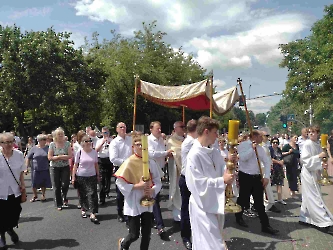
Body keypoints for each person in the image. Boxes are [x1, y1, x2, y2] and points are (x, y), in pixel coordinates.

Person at [185, 116, 234, 249]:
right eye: (215, 132)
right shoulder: (194, 155)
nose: (217, 136)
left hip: (214, 201)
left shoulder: (213, 151)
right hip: (202, 205)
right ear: (206, 131)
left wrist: (229, 167)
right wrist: (222, 181)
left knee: (214, 241)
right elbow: (197, 184)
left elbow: (221, 168)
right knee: (211, 245)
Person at [116, 133, 162, 250]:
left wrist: (152, 190)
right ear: (133, 147)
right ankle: (123, 244)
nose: (141, 147)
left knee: (147, 234)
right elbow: (120, 183)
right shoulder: (129, 162)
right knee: (134, 234)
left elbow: (158, 180)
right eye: (138, 144)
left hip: (147, 200)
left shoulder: (151, 162)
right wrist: (137, 186)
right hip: (133, 200)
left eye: (143, 144)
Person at [235, 130, 279, 235]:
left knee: (259, 202)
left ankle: (265, 225)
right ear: (254, 136)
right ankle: (238, 217)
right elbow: (243, 158)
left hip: (257, 177)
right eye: (260, 136)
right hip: (245, 176)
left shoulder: (261, 148)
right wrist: (252, 149)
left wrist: (267, 177)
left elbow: (267, 162)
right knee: (243, 198)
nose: (262, 138)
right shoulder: (243, 145)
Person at [299, 126, 333, 234]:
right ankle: (323, 222)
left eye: (313, 132)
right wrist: (319, 157)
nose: (311, 134)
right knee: (314, 197)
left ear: (318, 133)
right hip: (308, 173)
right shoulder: (307, 144)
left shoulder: (318, 144)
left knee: (308, 196)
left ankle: (305, 218)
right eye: (309, 132)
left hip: (314, 172)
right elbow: (305, 160)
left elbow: (321, 158)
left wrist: (322, 162)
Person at [0, 132, 26, 249]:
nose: (10, 144)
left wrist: (23, 185)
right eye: (7, 142)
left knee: (15, 213)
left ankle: (10, 229)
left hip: (15, 190)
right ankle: (2, 237)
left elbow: (21, 171)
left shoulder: (19, 154)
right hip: (1, 191)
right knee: (1, 216)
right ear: (1, 143)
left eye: (11, 141)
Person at [148, 121, 173, 237]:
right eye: (157, 128)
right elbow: (152, 154)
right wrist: (165, 153)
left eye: (160, 128)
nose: (159, 130)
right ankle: (160, 226)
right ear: (151, 129)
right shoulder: (148, 140)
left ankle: (152, 218)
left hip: (160, 171)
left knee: (155, 197)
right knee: (155, 198)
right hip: (151, 171)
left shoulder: (161, 140)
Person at [72, 134, 100, 224]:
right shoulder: (79, 152)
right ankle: (83, 209)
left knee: (92, 194)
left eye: (90, 141)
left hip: (92, 175)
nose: (88, 143)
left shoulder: (94, 152)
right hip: (81, 176)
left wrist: (98, 175)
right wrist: (73, 177)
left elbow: (96, 164)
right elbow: (75, 165)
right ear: (82, 143)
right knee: (83, 194)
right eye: (86, 141)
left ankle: (93, 213)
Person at [109, 122, 132, 223]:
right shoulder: (114, 142)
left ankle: (129, 212)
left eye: (125, 127)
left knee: (130, 191)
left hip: (131, 169)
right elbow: (113, 159)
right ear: (117, 129)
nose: (123, 129)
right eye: (121, 127)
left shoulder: (130, 140)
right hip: (120, 169)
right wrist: (126, 161)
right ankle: (119, 212)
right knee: (120, 193)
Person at [180, 119, 197, 250]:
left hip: (193, 178)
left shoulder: (192, 141)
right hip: (187, 179)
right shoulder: (191, 142)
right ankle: (186, 236)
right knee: (186, 208)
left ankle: (195, 234)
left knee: (194, 208)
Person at [48, 127, 72, 211]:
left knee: (65, 184)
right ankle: (58, 203)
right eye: (59, 134)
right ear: (55, 136)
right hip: (54, 167)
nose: (61, 135)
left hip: (65, 166)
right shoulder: (52, 144)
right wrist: (61, 156)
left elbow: (70, 155)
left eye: (62, 134)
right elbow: (50, 157)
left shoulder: (67, 143)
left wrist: (59, 157)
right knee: (56, 186)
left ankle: (64, 196)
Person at [166, 121, 185, 223]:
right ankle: (177, 216)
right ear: (175, 128)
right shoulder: (171, 140)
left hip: (185, 170)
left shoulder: (186, 139)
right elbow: (174, 152)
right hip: (176, 170)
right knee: (177, 191)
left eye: (184, 126)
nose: (183, 128)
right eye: (181, 127)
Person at [26, 134, 52, 202]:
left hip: (45, 168)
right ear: (39, 140)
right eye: (43, 139)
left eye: (45, 139)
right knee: (34, 183)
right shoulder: (34, 148)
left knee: (43, 183)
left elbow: (51, 156)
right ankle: (35, 195)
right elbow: (28, 158)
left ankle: (43, 195)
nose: (45, 141)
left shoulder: (48, 148)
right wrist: (26, 168)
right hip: (35, 169)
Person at [260, 132, 281, 213]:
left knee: (267, 188)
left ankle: (270, 203)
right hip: (263, 170)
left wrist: (270, 165)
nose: (267, 137)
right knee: (265, 188)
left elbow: (268, 158)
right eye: (266, 136)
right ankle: (267, 203)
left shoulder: (266, 146)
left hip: (267, 169)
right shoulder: (261, 146)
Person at [95, 126, 113, 205]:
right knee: (101, 180)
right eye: (104, 132)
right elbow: (96, 150)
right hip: (101, 160)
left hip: (109, 160)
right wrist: (103, 142)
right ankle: (102, 198)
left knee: (108, 179)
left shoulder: (112, 140)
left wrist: (110, 143)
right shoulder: (99, 141)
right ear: (102, 133)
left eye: (107, 132)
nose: (106, 134)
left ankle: (107, 191)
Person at [269, 137, 286, 205]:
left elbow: (281, 157)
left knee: (279, 184)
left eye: (276, 142)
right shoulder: (269, 149)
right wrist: (278, 162)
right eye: (274, 142)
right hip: (272, 168)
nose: (275, 144)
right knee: (270, 184)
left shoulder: (279, 149)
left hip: (279, 169)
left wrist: (282, 161)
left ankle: (280, 199)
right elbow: (270, 158)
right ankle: (269, 199)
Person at [282, 134, 300, 199]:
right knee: (290, 178)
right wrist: (288, 152)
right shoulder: (287, 146)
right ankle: (292, 192)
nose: (296, 139)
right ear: (291, 138)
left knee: (295, 178)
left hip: (296, 164)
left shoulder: (297, 146)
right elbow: (281, 153)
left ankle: (294, 190)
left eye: (297, 138)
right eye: (295, 137)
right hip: (289, 164)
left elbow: (299, 154)